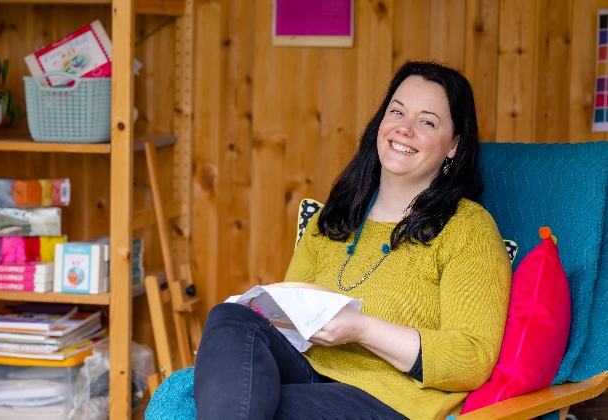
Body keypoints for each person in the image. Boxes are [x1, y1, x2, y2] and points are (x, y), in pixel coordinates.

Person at [193, 61, 512, 419]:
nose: (404, 129)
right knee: (231, 319)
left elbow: (472, 359)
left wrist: (361, 329)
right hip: (306, 374)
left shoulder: (467, 228)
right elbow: (289, 317)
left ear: (453, 145)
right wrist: (272, 310)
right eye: (397, 111)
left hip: (388, 402)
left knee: (262, 408)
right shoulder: (333, 218)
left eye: (427, 121)